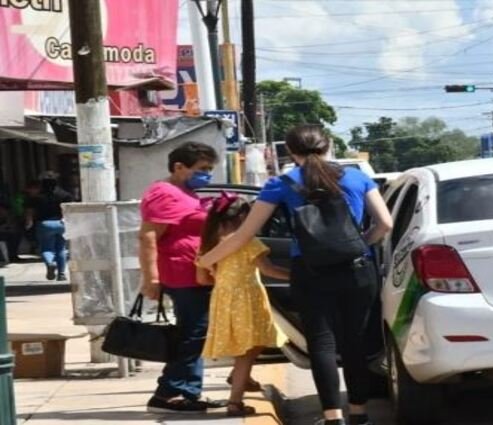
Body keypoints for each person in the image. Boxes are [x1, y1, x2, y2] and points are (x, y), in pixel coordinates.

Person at [198, 125, 393, 425]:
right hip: (357, 270)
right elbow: (385, 225)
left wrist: (204, 260)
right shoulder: (357, 177)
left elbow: (243, 235)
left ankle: (332, 418)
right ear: (327, 146)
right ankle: (359, 413)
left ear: (290, 151)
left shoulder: (281, 184)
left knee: (322, 345)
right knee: (354, 342)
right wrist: (356, 246)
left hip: (310, 272)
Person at [138, 141, 224, 414]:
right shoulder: (164, 193)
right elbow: (148, 236)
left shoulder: (186, 192)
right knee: (193, 334)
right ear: (179, 167)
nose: (207, 175)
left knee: (195, 333)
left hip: (196, 274)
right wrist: (151, 278)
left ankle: (187, 391)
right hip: (181, 274)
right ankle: (168, 393)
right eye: (202, 169)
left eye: (210, 169)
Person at [196, 193, 290, 417]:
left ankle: (241, 377)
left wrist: (224, 284)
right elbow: (268, 270)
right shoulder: (247, 241)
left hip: (223, 299)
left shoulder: (208, 244)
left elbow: (201, 279)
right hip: (247, 299)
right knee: (248, 350)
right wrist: (294, 276)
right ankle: (235, 402)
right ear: (242, 218)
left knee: (252, 344)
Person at [25, 171, 74, 281]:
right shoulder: (65, 195)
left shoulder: (37, 196)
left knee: (46, 248)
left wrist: (29, 222)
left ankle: (50, 263)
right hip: (62, 223)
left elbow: (29, 211)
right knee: (61, 248)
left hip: (44, 224)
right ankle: (61, 274)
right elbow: (70, 209)